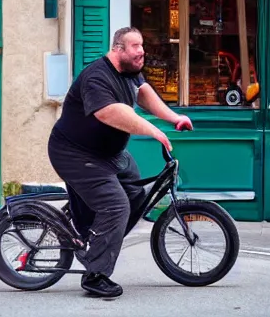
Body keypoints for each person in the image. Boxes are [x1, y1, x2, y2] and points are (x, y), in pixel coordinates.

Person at [47, 27, 193, 298]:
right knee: (116, 205)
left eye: (142, 46)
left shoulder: (130, 71)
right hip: (75, 154)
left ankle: (94, 237)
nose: (142, 52)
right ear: (118, 49)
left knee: (135, 194)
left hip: (109, 155)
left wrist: (173, 118)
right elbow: (112, 113)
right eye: (135, 46)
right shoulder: (96, 77)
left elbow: (144, 93)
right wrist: (153, 131)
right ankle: (95, 275)